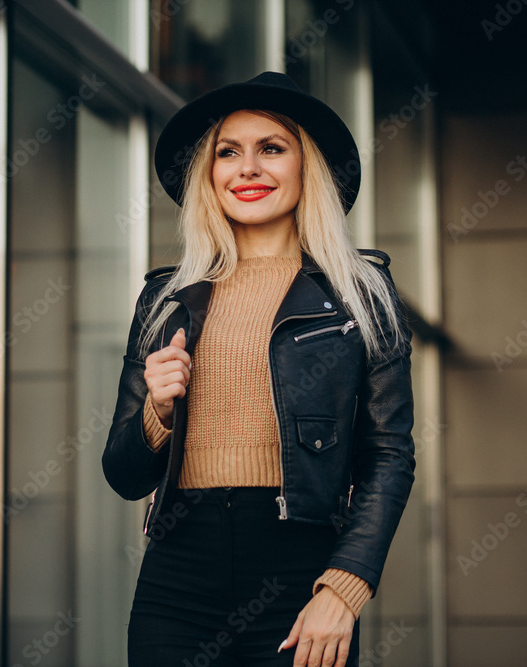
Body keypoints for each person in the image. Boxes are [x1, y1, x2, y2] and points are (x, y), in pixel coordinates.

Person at [102, 72, 415, 667]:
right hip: (176, 580)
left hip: (301, 576)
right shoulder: (166, 298)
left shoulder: (362, 293)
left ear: (307, 167)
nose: (247, 168)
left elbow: (389, 457)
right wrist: (157, 412)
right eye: (228, 152)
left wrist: (344, 589)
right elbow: (123, 475)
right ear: (209, 175)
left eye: (271, 148)